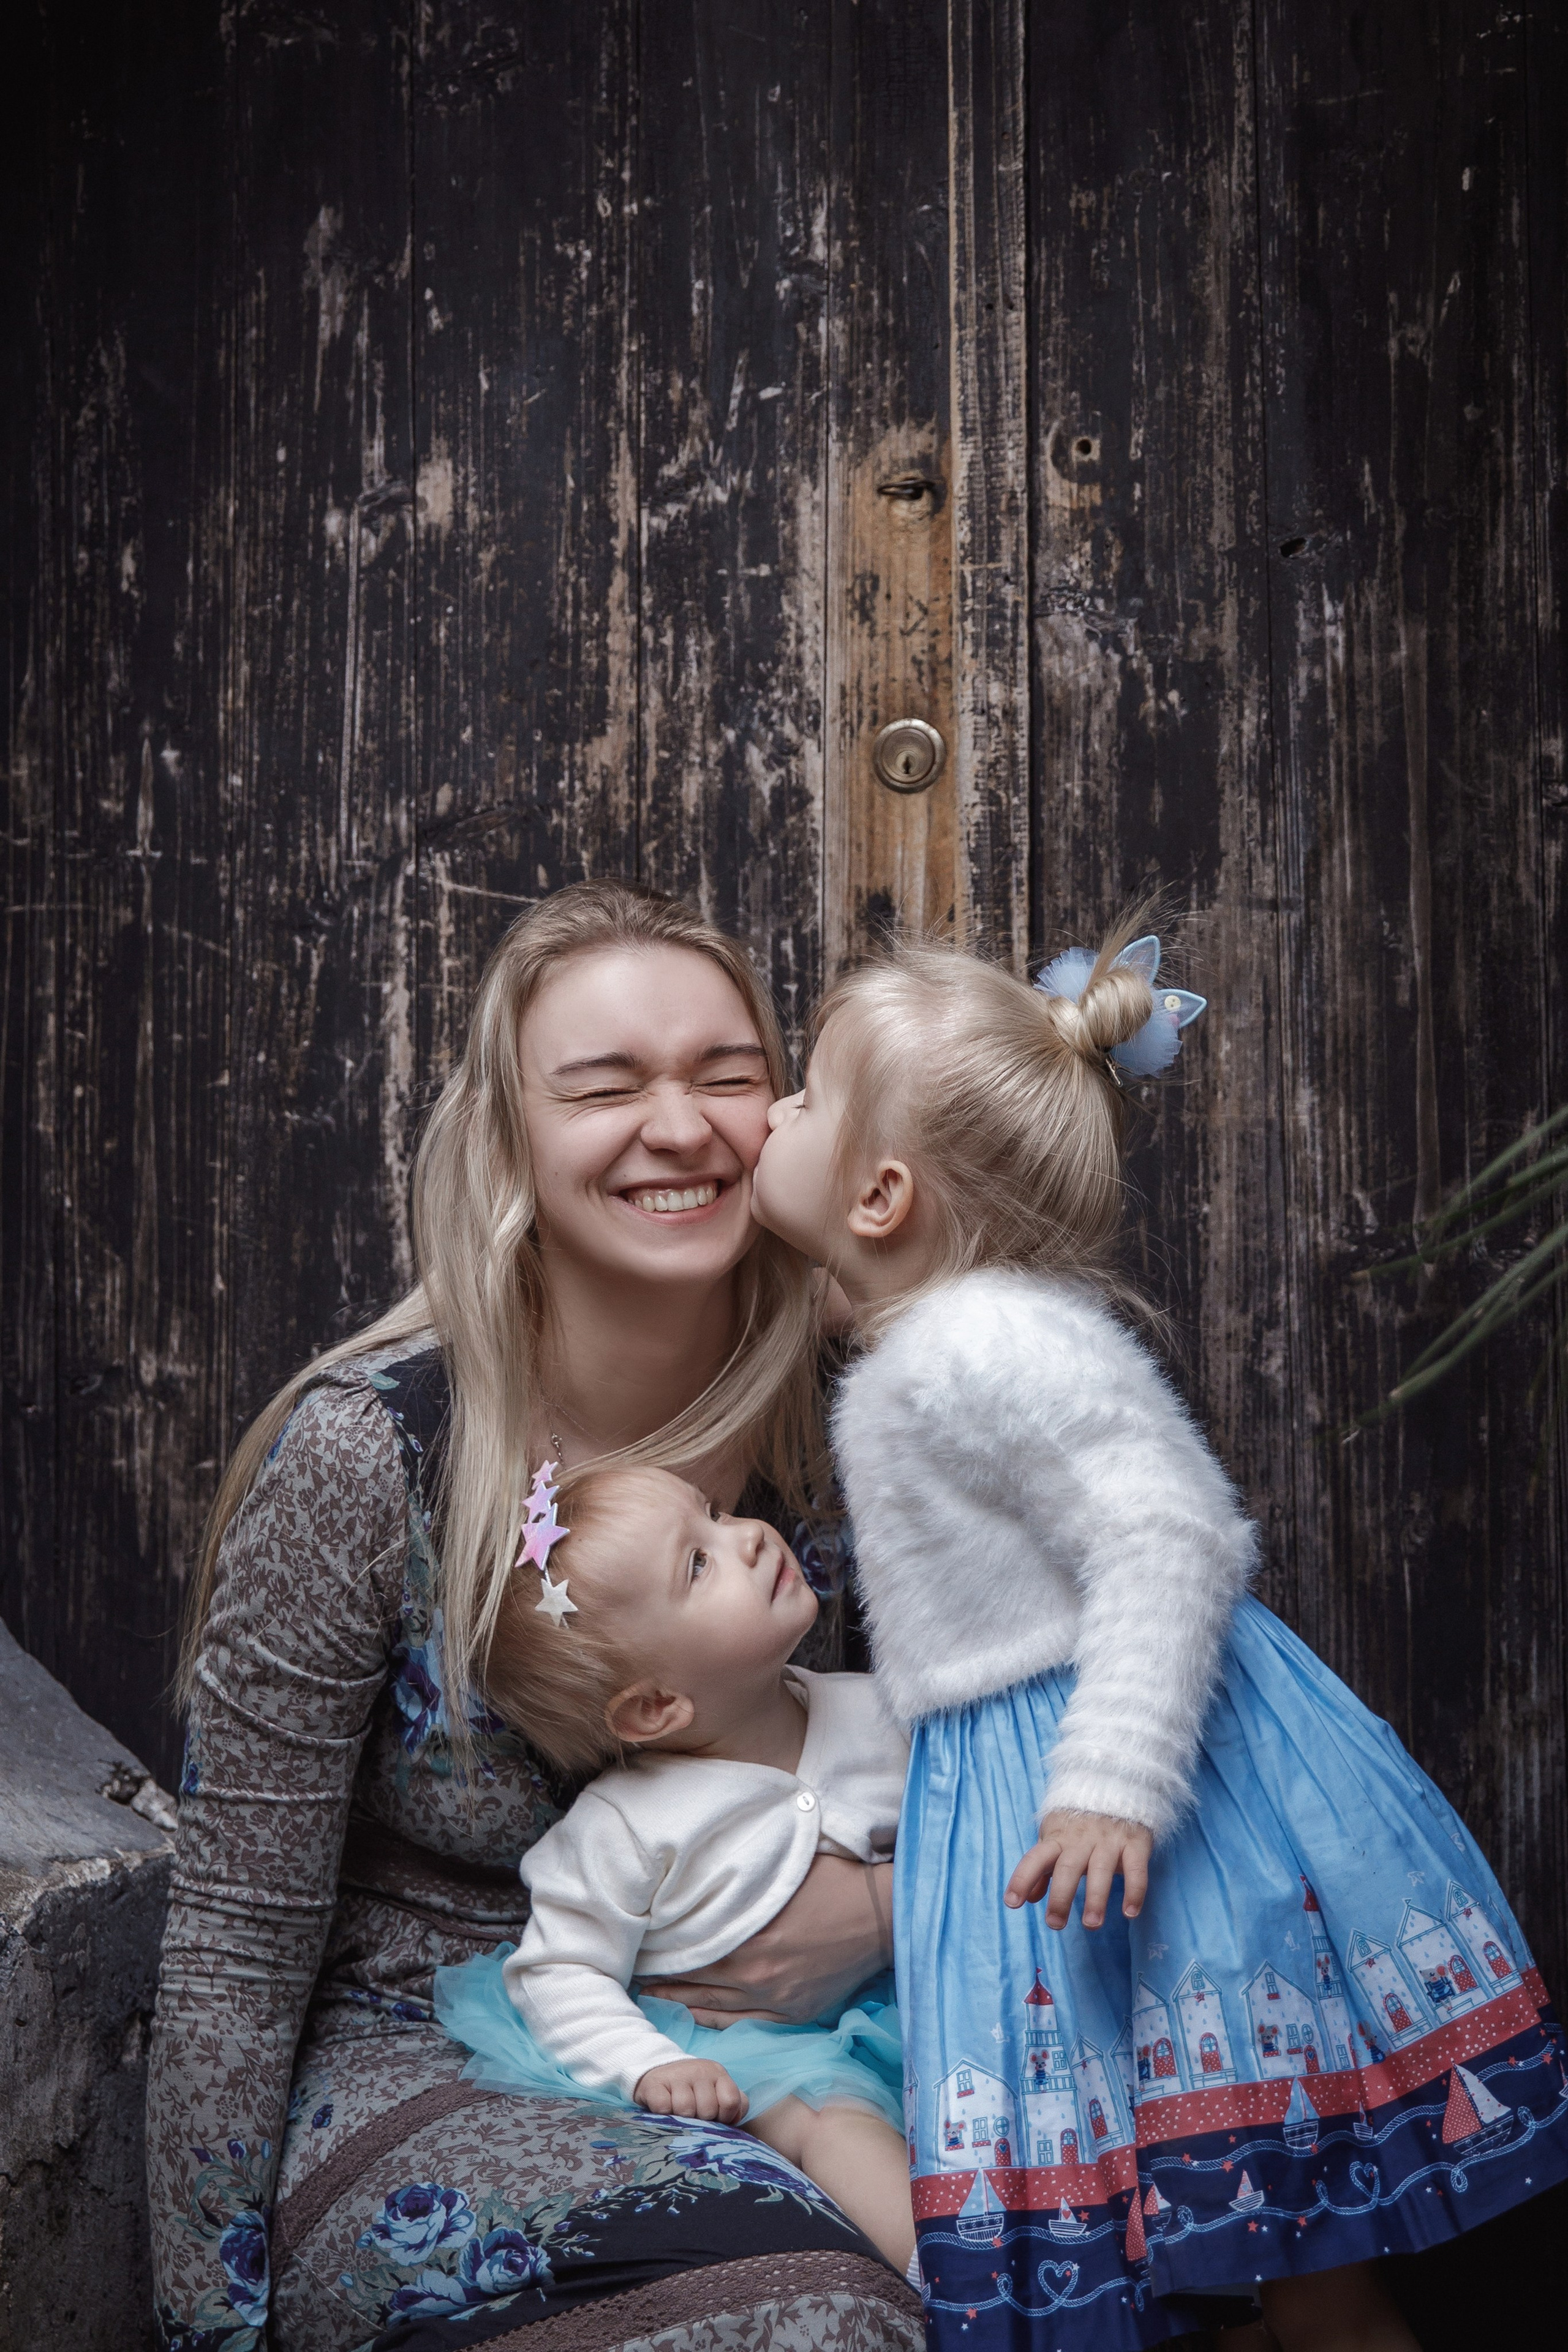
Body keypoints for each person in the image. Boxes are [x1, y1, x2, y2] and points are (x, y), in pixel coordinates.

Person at [749, 925, 1568, 2352]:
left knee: (1298, 2242)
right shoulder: (928, 1327)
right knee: (1228, 2226)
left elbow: (1168, 1534)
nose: (769, 1111)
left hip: (1134, 1783)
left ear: (881, 1196)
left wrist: (1110, 1780)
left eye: (803, 1097)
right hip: (1018, 1773)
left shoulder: (983, 1344)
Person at [146, 883, 920, 2352]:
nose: (678, 1129)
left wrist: (885, 1915)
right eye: (606, 1087)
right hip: (434, 2059)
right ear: (508, 1141)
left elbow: (1049, 1767)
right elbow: (237, 1935)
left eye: (725, 1075)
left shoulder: (874, 1409)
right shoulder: (372, 1455)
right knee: (805, 2319)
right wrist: (207, 2325)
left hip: (848, 2045)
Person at [431, 1461, 914, 2274]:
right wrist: (654, 2065)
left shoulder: (882, 1710)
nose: (747, 1538)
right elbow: (560, 1972)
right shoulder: (626, 1825)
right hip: (760, 2052)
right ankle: (957, 2283)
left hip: (909, 1999)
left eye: (714, 1514)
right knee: (833, 2125)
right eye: (698, 1563)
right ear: (655, 1708)